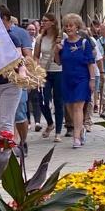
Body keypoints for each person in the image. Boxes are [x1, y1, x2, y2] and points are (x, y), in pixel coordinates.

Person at [0, 6, 32, 151]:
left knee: (6, 123)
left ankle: (8, 158)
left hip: (9, 85)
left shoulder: (12, 38)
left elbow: (18, 59)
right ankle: (2, 154)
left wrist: (22, 72)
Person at [55, 13, 96, 149]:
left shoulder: (84, 43)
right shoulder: (63, 43)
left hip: (82, 79)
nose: (68, 28)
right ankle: (81, 128)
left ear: (77, 26)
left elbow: (91, 62)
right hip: (66, 78)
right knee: (69, 106)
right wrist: (56, 51)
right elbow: (59, 62)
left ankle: (76, 137)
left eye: (71, 25)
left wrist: (92, 79)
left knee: (78, 107)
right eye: (66, 26)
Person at [34, 13, 64, 142]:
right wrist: (35, 70)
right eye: (42, 20)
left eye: (45, 21)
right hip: (44, 71)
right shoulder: (40, 38)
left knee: (58, 102)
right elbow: (36, 55)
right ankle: (50, 123)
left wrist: (59, 49)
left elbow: (63, 58)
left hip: (58, 71)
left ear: (52, 22)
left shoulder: (61, 37)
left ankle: (58, 132)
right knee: (42, 100)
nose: (42, 23)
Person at [25, 22, 44, 132]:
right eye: (29, 29)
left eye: (33, 29)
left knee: (36, 98)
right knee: (26, 99)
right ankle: (27, 121)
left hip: (35, 73)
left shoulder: (37, 42)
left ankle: (37, 121)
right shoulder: (23, 42)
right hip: (25, 73)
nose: (31, 31)